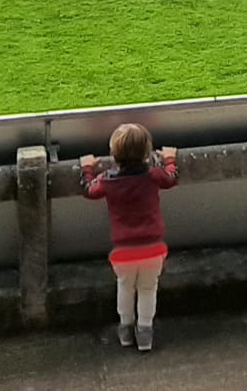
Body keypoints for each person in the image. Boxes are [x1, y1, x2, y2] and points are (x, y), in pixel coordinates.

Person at [80, 123, 179, 353]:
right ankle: (145, 332)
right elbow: (171, 178)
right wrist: (170, 159)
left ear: (114, 154)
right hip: (154, 248)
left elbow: (88, 189)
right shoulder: (153, 175)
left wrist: (86, 168)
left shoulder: (106, 180)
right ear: (148, 153)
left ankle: (125, 329)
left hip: (123, 252)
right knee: (148, 289)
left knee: (125, 288)